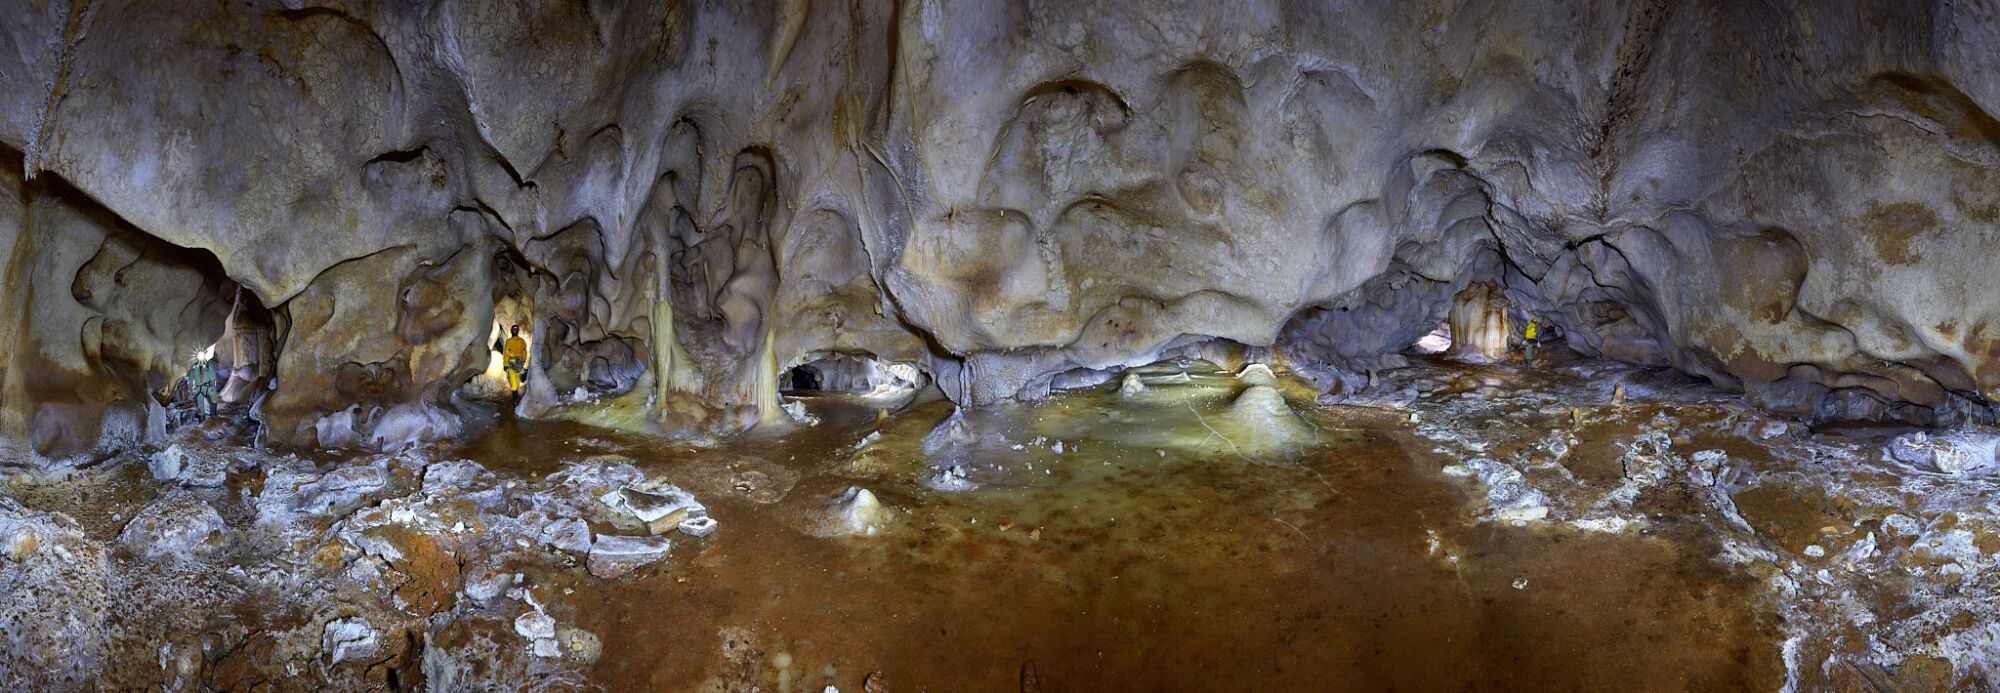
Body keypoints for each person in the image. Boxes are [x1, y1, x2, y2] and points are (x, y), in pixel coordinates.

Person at [502, 325, 529, 395]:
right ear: (518, 331)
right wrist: (522, 361)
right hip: (519, 361)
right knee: (517, 377)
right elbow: (524, 353)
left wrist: (505, 364)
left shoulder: (509, 341)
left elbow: (506, 353)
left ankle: (515, 395)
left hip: (512, 360)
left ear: (511, 331)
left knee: (513, 377)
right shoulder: (522, 341)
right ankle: (516, 391)